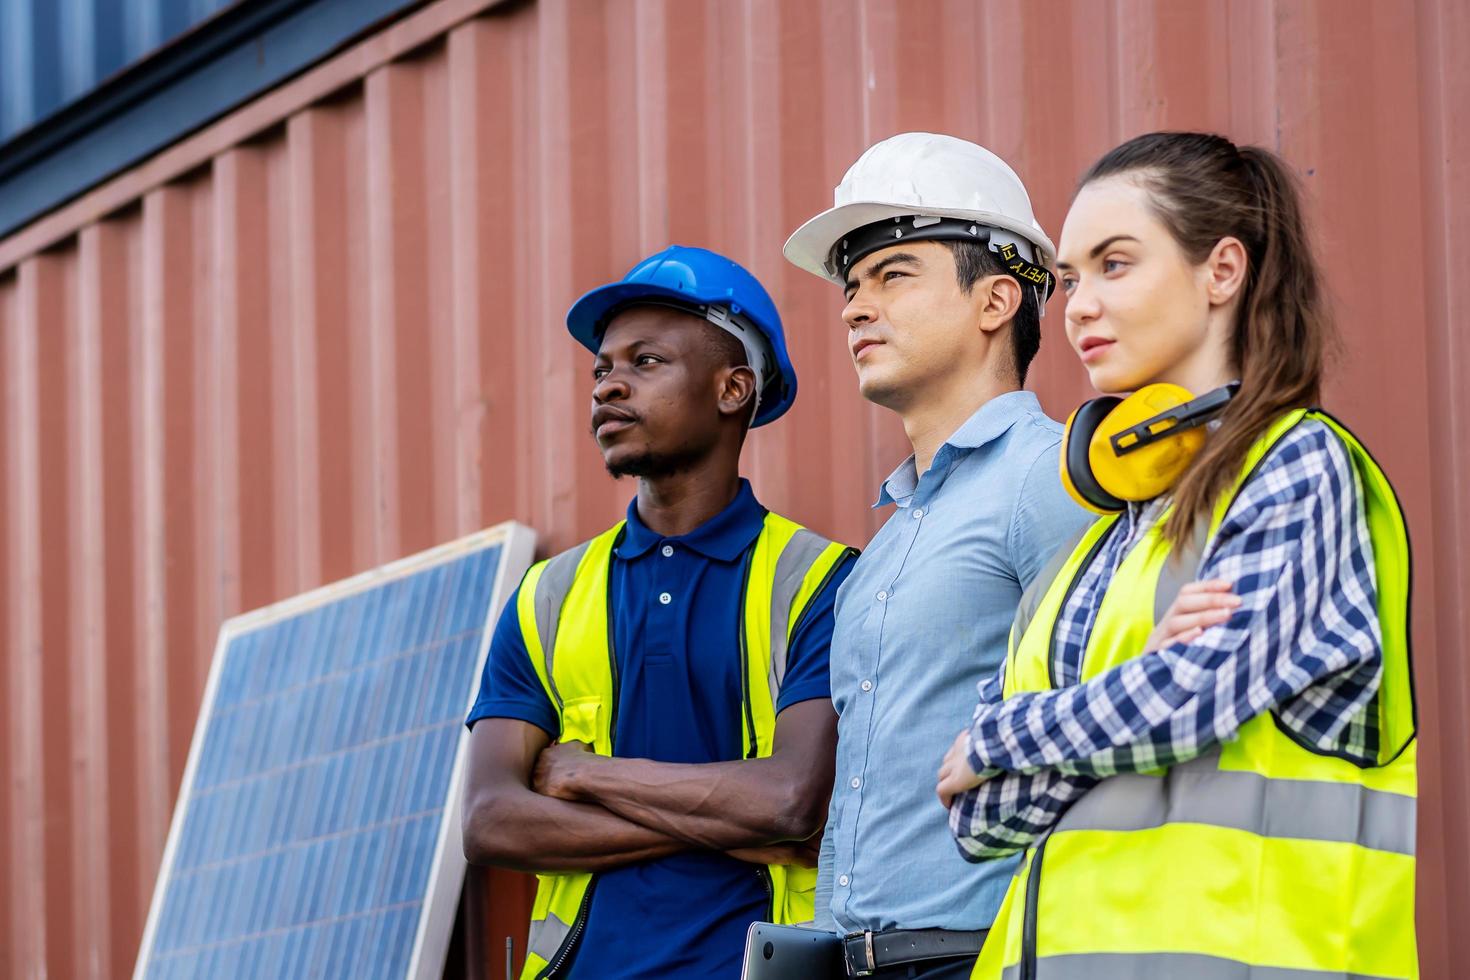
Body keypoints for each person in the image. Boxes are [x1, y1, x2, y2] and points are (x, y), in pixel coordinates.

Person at [937, 131, 1417, 980]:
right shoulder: (1093, 550)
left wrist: (1004, 733)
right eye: (1073, 277)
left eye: (1114, 264)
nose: (1077, 304)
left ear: (1221, 271)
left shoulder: (1297, 468)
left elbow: (1185, 704)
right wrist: (1127, 695)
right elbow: (976, 820)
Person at [460, 245, 858, 979]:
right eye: (601, 369)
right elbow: (489, 821)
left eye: (645, 363)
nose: (609, 388)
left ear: (732, 388)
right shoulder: (548, 597)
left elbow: (791, 802)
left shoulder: (824, 584)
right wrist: (727, 818)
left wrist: (587, 774)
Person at [782, 133, 1090, 978]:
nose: (853, 308)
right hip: (858, 960)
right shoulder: (882, 550)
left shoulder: (1050, 479)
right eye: (851, 287)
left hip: (989, 952)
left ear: (995, 301)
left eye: (893, 275)